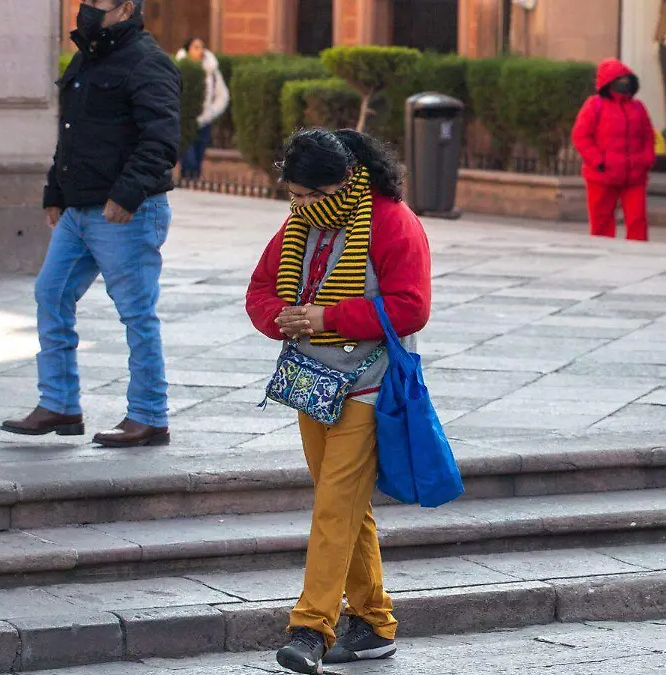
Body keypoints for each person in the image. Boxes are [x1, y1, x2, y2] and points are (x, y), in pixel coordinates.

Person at [245, 129, 432, 674]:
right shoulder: (303, 221)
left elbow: (412, 306)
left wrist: (329, 317)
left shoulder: (393, 221)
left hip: (369, 384)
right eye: (293, 197)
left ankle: (310, 628)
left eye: (308, 196)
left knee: (334, 504)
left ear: (344, 181)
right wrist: (278, 317)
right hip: (311, 379)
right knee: (346, 504)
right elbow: (260, 288)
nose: (299, 207)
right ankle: (373, 623)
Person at [1, 0, 180, 448]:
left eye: (96, 2)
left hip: (126, 212)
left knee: (136, 313)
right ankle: (59, 403)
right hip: (78, 210)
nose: (84, 8)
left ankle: (149, 416)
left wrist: (127, 194)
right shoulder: (88, 57)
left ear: (124, 8)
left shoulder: (147, 61)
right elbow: (71, 132)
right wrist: (54, 191)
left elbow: (161, 137)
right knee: (51, 292)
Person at [571, 58, 656, 242]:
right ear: (608, 83)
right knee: (601, 223)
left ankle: (638, 258)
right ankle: (603, 259)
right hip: (602, 175)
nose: (624, 84)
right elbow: (580, 136)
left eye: (627, 80)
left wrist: (646, 160)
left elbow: (648, 136)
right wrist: (599, 161)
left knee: (637, 222)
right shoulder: (594, 106)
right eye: (620, 80)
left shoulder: (638, 108)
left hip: (634, 175)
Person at [175, 37, 230, 181]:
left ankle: (191, 187)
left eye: (202, 47)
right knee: (189, 160)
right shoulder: (181, 68)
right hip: (185, 121)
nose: (200, 51)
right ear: (187, 50)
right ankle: (186, 182)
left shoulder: (212, 71)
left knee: (198, 160)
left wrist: (211, 112)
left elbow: (222, 96)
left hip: (204, 122)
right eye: (196, 47)